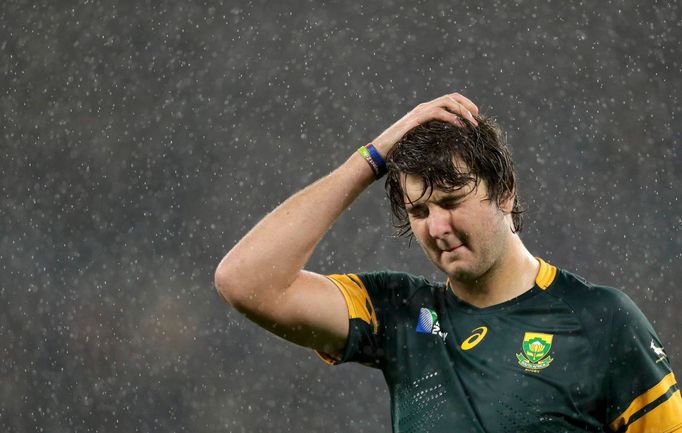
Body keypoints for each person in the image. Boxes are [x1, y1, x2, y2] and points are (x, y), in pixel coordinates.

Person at [214, 93, 682, 432]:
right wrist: (375, 155)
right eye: (419, 211)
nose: (436, 226)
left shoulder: (602, 321)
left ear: (504, 190)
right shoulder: (400, 313)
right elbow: (245, 281)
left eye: (452, 200)